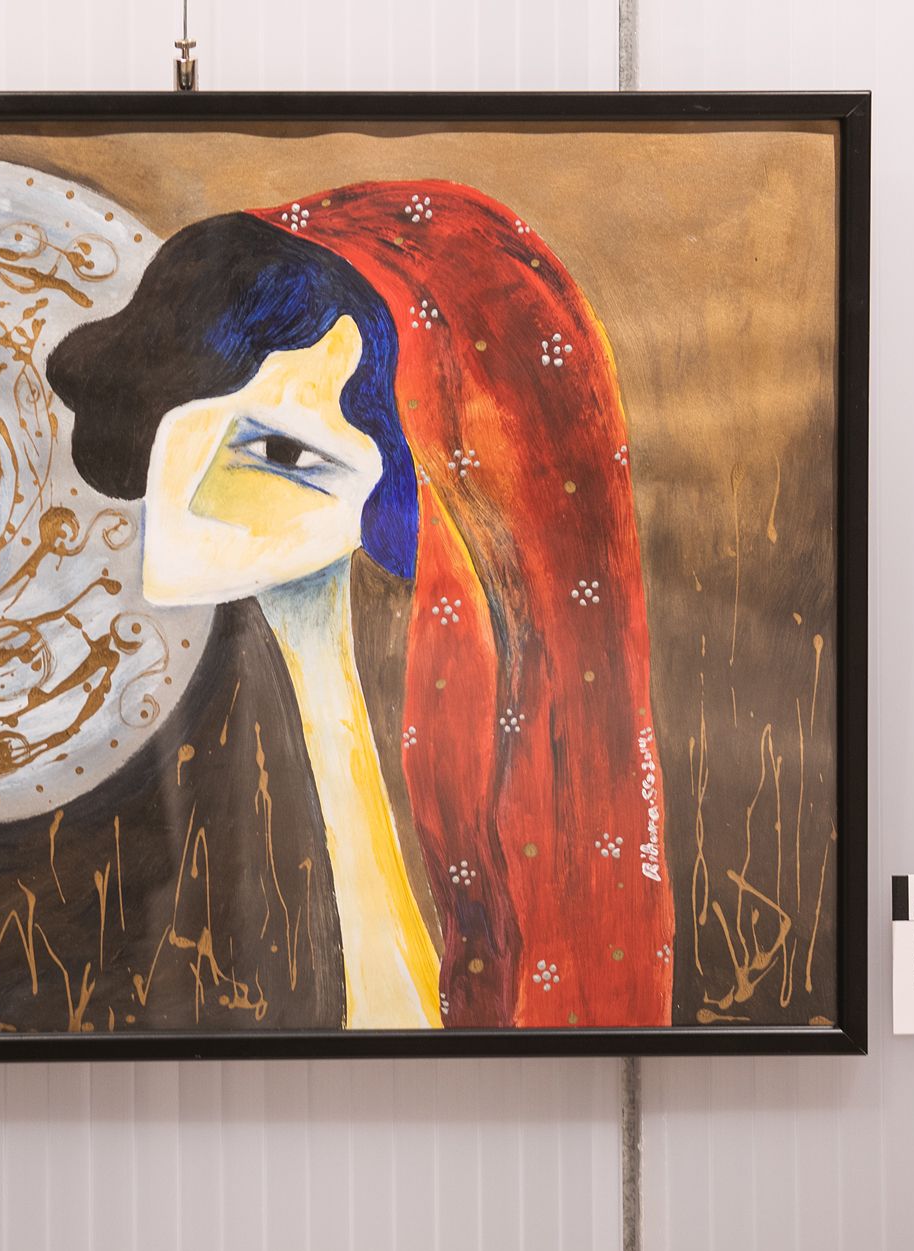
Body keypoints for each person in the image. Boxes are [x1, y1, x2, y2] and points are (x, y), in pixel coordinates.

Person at [48, 181, 673, 1029]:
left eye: (278, 453)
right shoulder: (119, 706)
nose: (182, 500)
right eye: (175, 418)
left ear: (424, 493)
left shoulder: (449, 697)